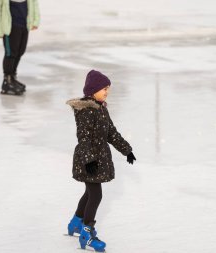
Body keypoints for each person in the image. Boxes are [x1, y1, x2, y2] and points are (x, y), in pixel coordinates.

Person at [66, 70, 137, 252]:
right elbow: (84, 138)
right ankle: (86, 235)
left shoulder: (101, 108)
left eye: (108, 88)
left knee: (89, 194)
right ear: (92, 90)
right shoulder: (86, 111)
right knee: (95, 195)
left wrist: (127, 150)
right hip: (88, 160)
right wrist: (89, 160)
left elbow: (111, 133)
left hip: (99, 159)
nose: (107, 92)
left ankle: (75, 223)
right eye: (103, 88)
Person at [0, 0, 40, 96]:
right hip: (10, 26)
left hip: (24, 23)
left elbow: (33, 2)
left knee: (20, 51)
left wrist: (35, 20)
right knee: (11, 53)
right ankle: (7, 81)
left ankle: (12, 78)